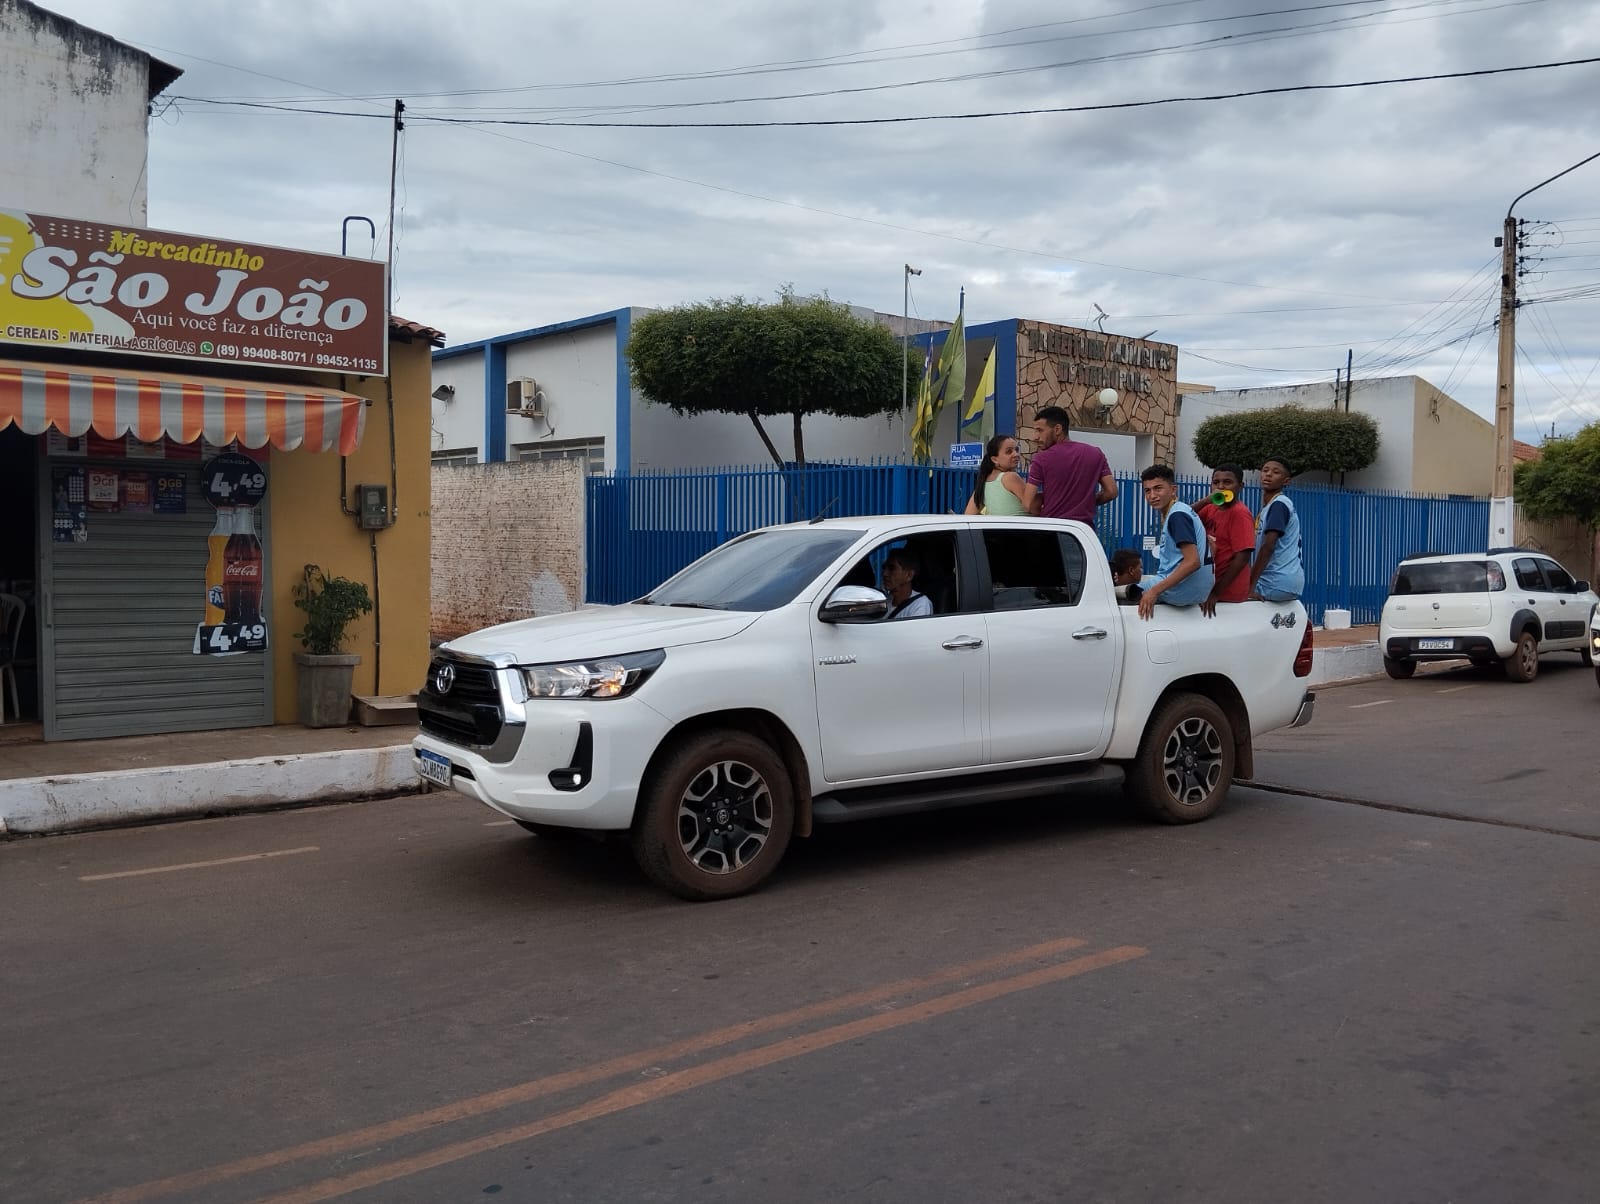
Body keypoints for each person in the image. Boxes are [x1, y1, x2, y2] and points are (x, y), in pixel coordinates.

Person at [1136, 464, 1214, 619]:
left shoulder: (1177, 516)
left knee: (1118, 592)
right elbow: (1212, 546)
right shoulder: (1183, 511)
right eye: (1147, 490)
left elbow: (1193, 562)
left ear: (1173, 490)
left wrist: (1154, 592)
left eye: (1158, 488)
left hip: (1181, 591)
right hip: (1199, 591)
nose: (1152, 495)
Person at [1021, 405, 1117, 523]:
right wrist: (1086, 502)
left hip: (1054, 530)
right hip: (1083, 532)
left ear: (1057, 429)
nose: (1035, 437)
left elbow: (1027, 504)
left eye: (1040, 430)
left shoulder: (1041, 459)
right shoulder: (1096, 454)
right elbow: (1111, 492)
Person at [1194, 463, 1256, 616]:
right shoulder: (1210, 508)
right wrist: (1205, 501)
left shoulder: (1239, 513)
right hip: (1211, 588)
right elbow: (1183, 518)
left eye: (1227, 482)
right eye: (1216, 482)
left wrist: (1216, 593)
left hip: (1226, 594)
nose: (1221, 487)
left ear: (1240, 486)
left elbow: (1242, 557)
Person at [1248, 455, 1305, 602]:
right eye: (1265, 470)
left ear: (1286, 481)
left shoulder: (1278, 505)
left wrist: (1250, 586)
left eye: (1276, 472)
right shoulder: (1272, 506)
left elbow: (1268, 546)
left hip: (1275, 580)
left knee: (1225, 592)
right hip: (1288, 580)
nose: (1268, 474)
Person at [963, 434, 1027, 516]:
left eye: (1017, 450)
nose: (1016, 454)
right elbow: (1033, 506)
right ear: (995, 459)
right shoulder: (1010, 477)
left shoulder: (983, 485)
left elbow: (969, 515)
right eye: (1009, 452)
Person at [880, 549, 933, 619]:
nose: (884, 574)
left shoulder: (920, 604)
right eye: (884, 568)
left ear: (909, 575)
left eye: (891, 568)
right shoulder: (884, 602)